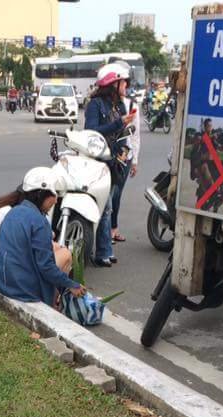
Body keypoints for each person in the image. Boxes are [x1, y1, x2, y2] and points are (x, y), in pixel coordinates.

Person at [0, 167, 86, 307]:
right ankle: (53, 306)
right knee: (64, 255)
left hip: (2, 281)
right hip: (22, 290)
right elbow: (46, 267)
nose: (56, 200)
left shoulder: (13, 212)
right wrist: (71, 285)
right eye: (55, 195)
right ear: (41, 194)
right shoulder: (39, 222)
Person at [83, 62, 135, 267]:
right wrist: (119, 123)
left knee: (109, 205)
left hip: (115, 160)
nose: (125, 86)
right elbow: (91, 131)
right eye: (122, 82)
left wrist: (126, 149)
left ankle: (105, 249)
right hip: (98, 159)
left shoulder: (120, 105)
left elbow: (122, 134)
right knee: (104, 206)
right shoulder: (95, 105)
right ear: (112, 84)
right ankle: (102, 251)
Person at [110, 61, 141, 245]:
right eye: (121, 83)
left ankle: (113, 229)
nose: (124, 86)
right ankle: (107, 229)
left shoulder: (131, 106)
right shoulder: (105, 104)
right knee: (109, 194)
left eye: (124, 83)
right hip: (108, 154)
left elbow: (135, 135)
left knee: (117, 193)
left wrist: (135, 160)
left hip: (125, 156)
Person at [191, 117, 217, 197]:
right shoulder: (200, 135)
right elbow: (200, 140)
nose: (210, 128)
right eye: (209, 126)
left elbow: (216, 148)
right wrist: (211, 137)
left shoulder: (212, 138)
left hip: (208, 163)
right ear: (205, 127)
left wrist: (216, 141)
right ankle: (213, 192)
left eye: (211, 126)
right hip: (199, 163)